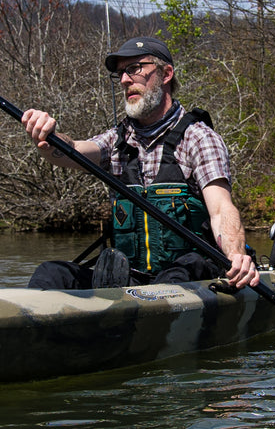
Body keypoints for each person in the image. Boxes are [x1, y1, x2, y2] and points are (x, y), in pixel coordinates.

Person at [21, 36, 260, 291]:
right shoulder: (116, 140)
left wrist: (235, 254)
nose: (124, 80)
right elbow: (73, 151)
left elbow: (221, 209)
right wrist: (47, 137)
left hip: (192, 275)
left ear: (166, 74)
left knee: (178, 273)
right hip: (133, 278)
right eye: (121, 73)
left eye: (134, 69)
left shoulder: (199, 138)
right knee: (52, 273)